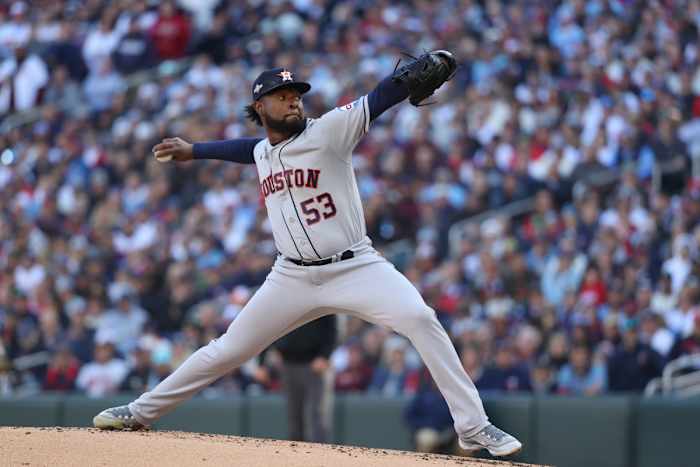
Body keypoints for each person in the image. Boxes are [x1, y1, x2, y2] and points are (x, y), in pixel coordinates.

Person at [93, 51, 521, 457]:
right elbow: (247, 150)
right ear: (260, 107)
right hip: (291, 277)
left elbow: (380, 98)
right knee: (226, 350)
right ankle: (140, 411)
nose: (294, 102)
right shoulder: (263, 151)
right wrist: (195, 150)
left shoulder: (330, 130)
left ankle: (472, 426)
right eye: (282, 97)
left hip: (355, 265)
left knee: (421, 320)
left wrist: (403, 80)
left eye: (296, 95)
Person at [274, 315, 336, 443]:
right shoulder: (286, 298)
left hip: (314, 364)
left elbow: (332, 330)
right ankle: (296, 458)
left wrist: (324, 356)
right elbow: (273, 324)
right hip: (288, 362)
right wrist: (276, 348)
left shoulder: (321, 297)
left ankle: (320, 456)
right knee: (294, 414)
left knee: (316, 413)